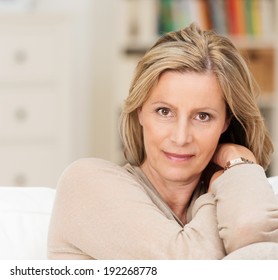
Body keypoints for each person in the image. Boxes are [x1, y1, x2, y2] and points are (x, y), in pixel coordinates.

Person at [47, 23, 278, 259]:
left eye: (203, 116)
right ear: (139, 111)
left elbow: (254, 231)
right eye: (164, 112)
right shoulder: (85, 183)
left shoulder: (228, 191)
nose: (180, 137)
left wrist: (236, 163)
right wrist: (223, 180)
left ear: (226, 122)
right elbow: (190, 267)